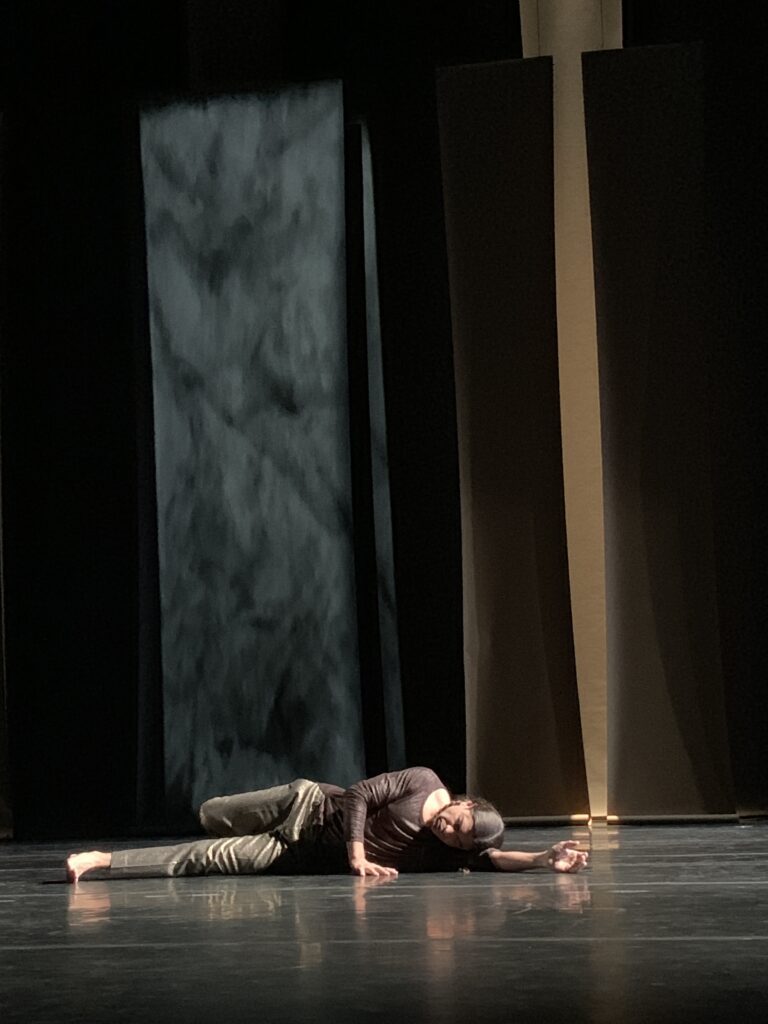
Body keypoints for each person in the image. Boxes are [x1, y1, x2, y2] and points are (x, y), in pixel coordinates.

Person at [65, 766, 588, 882]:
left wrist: (545, 858)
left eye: (458, 838)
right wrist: (359, 854)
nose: (450, 832)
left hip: (296, 852)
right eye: (458, 823)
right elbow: (360, 793)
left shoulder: (450, 851)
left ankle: (100, 861)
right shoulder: (424, 782)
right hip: (306, 805)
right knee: (212, 814)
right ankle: (186, 818)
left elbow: (494, 859)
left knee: (200, 861)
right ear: (465, 803)